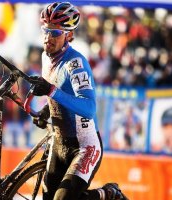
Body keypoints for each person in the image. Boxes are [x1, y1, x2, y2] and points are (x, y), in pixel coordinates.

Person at [29, 2, 128, 200]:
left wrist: (50, 90)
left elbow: (89, 108)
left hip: (84, 146)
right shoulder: (45, 57)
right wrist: (46, 113)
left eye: (55, 33)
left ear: (69, 35)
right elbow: (60, 94)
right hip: (58, 142)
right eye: (45, 30)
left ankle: (109, 193)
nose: (48, 37)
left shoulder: (76, 64)